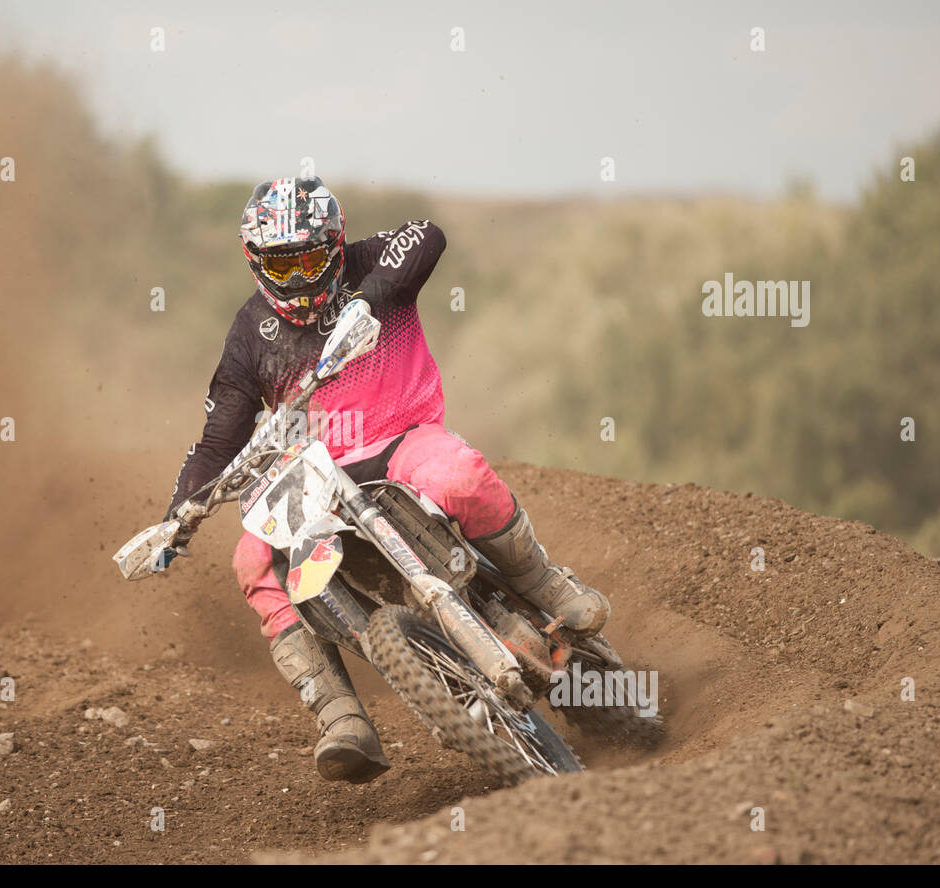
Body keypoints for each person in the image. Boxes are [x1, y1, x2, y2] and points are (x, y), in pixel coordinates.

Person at [155, 177, 608, 784]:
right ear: (255, 263)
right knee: (251, 562)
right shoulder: (249, 333)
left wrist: (368, 301)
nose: (299, 279)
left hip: (401, 438)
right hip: (315, 474)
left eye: (312, 260)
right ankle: (339, 715)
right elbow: (219, 438)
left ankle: (544, 584)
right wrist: (175, 518)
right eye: (281, 267)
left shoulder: (371, 263)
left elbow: (428, 234)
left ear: (337, 247)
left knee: (461, 474)